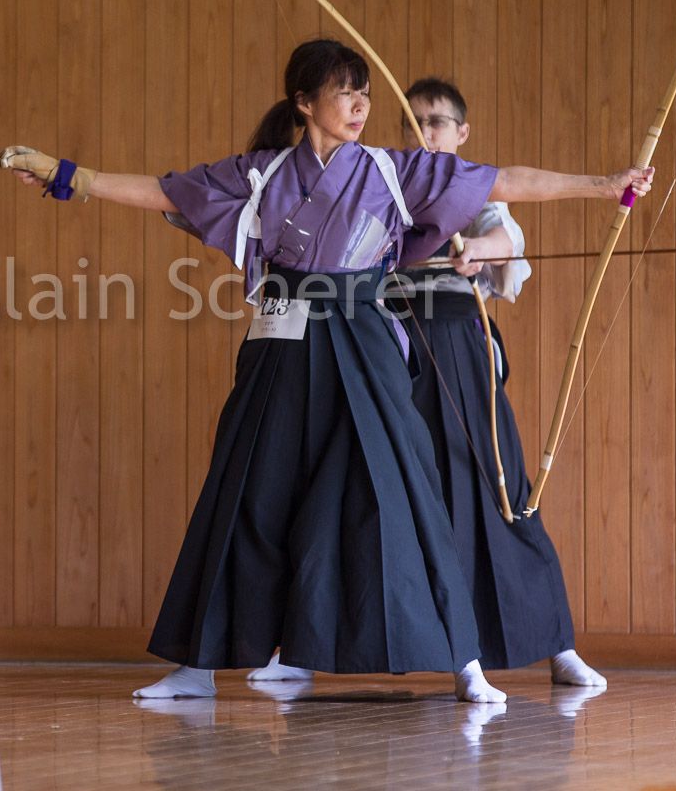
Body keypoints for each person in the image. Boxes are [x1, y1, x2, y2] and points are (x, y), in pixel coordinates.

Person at [0, 39, 652, 704]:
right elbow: (165, 191)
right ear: (304, 102)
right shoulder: (262, 174)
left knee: (405, 491)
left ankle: (465, 662)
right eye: (345, 92)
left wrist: (602, 186)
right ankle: (197, 667)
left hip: (364, 340)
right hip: (282, 340)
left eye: (364, 92)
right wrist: (69, 176)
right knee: (247, 491)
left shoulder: (393, 171)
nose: (360, 105)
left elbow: (502, 182)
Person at [248, 76, 607, 691]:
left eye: (436, 122)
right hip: (383, 349)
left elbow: (508, 237)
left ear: (461, 132)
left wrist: (479, 249)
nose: (424, 132)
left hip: (458, 348)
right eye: (413, 122)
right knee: (351, 485)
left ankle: (557, 645)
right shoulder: (388, 182)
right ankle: (306, 643)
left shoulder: (466, 189)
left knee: (494, 487)